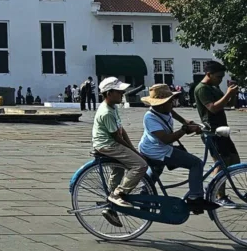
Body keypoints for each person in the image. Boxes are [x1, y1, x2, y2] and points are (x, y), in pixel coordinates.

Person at [137, 84, 215, 214]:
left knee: (156, 170)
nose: (173, 103)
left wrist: (185, 121)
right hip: (156, 150)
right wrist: (184, 129)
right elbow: (166, 139)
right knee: (195, 163)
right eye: (170, 101)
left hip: (155, 148)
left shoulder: (163, 110)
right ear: (162, 104)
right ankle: (195, 198)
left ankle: (144, 195)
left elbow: (172, 112)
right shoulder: (150, 117)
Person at [92, 77, 148, 213]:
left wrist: (132, 149)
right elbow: (116, 137)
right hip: (107, 144)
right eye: (119, 92)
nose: (122, 94)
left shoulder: (113, 107)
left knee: (118, 170)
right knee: (141, 165)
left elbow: (121, 130)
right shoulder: (106, 112)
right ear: (109, 93)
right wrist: (132, 151)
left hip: (111, 142)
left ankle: (110, 200)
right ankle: (117, 194)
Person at [194, 60, 241, 207]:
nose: (220, 79)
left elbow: (228, 104)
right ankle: (219, 195)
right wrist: (227, 93)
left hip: (222, 130)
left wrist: (232, 93)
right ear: (209, 74)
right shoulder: (202, 89)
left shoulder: (214, 87)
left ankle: (213, 186)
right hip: (212, 131)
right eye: (218, 77)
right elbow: (213, 108)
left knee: (234, 160)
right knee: (222, 163)